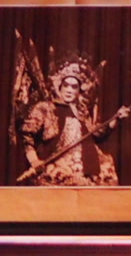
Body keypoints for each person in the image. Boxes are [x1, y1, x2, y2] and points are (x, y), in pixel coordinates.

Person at [22, 56, 120, 186]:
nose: (69, 90)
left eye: (74, 87)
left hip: (88, 165)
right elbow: (27, 136)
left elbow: (96, 135)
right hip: (57, 163)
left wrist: (115, 118)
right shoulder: (45, 108)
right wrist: (34, 160)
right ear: (59, 87)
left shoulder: (82, 112)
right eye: (66, 85)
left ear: (79, 91)